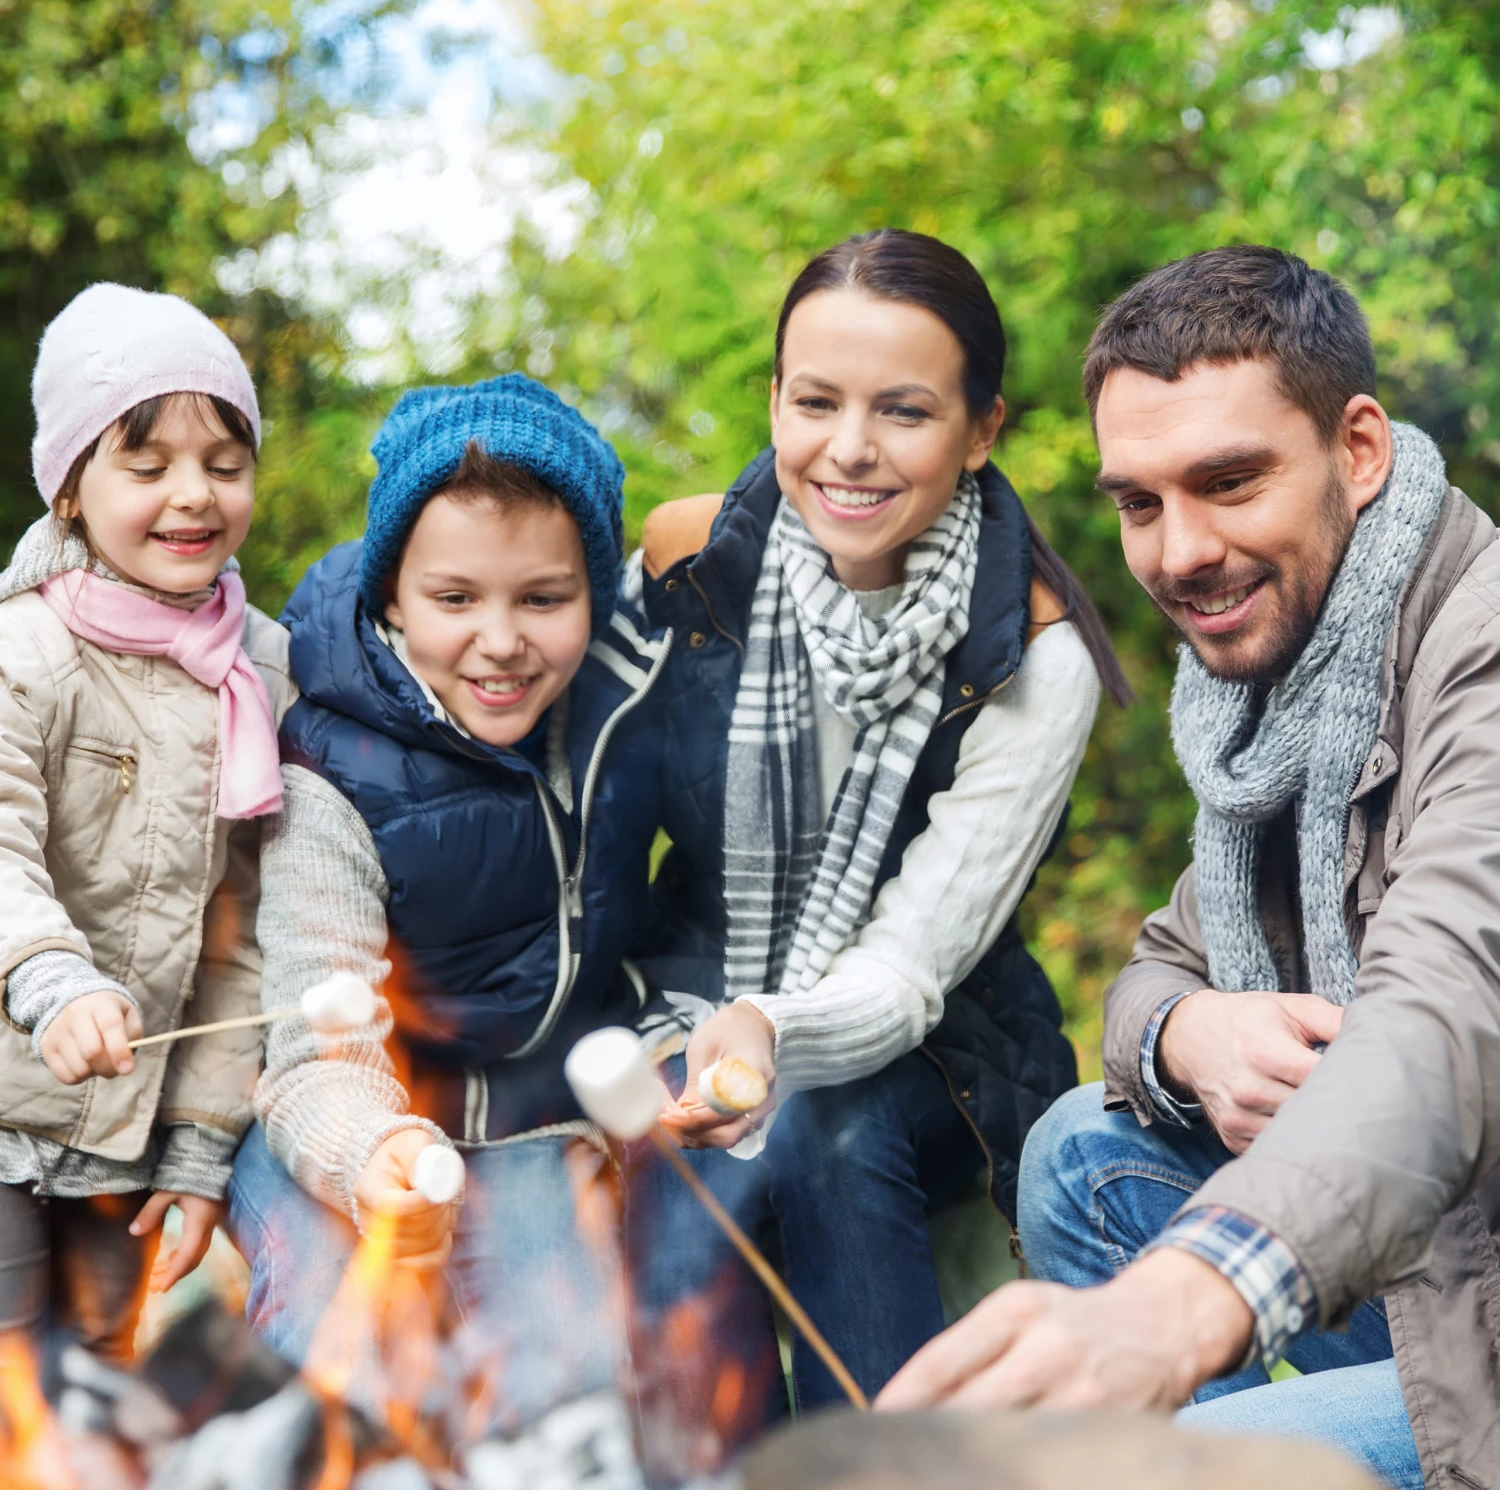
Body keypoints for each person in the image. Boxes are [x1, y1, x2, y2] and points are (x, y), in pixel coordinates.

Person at [879, 245, 1500, 1490]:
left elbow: (1440, 1015)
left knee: (1154, 1467)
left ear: (1359, 450)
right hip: (1429, 1258)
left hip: (1471, 1293)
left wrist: (1182, 1306)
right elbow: (1163, 962)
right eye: (1140, 504)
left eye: (1229, 481)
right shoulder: (1282, 687)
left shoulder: (1475, 651)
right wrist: (1186, 1034)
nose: (1179, 552)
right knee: (1079, 1150)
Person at [630, 228, 1130, 1411]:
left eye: (904, 411)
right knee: (655, 1160)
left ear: (981, 429)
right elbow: (585, 807)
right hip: (689, 989)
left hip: (943, 1053)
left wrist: (767, 1029)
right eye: (817, 402)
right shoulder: (688, 561)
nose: (849, 449)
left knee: (826, 1120)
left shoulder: (1035, 657)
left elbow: (909, 969)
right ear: (775, 401)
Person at [227, 376, 671, 1434]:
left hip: (534, 1125)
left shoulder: (623, 714)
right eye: (456, 599)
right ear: (393, 597)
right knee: (345, 1363)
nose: (503, 641)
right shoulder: (329, 772)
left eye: (544, 599)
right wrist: (371, 1153)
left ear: (594, 593)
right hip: (345, 1123)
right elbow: (315, 1043)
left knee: (570, 1401)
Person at [0, 283, 292, 1358]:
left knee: (99, 1389)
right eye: (148, 465)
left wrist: (202, 1141)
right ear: (71, 491)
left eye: (224, 463)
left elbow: (243, 934)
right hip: (7, 1103)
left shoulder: (261, 670)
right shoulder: (25, 650)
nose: (194, 495)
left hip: (127, 1137)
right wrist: (50, 978)